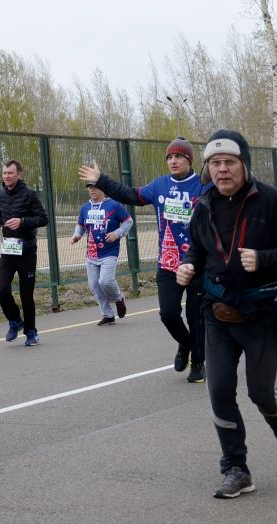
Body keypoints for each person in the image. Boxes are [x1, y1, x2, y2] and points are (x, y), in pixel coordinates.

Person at [176, 129, 277, 499]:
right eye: (215, 163)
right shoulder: (203, 204)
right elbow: (197, 250)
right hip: (217, 314)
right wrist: (188, 266)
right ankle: (236, 469)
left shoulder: (269, 200)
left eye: (230, 162)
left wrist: (263, 259)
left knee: (261, 392)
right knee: (219, 390)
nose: (222, 169)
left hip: (262, 313)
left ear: (244, 165)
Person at [78, 137, 211, 383]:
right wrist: (101, 180)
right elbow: (131, 195)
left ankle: (198, 363)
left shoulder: (203, 186)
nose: (173, 161)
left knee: (196, 318)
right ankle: (186, 343)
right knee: (168, 314)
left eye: (179, 157)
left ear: (190, 160)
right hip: (168, 264)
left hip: (197, 265)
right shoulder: (160, 185)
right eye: (169, 157)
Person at [0, 160, 48, 346]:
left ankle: (31, 332)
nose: (7, 176)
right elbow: (1, 215)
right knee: (2, 290)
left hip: (27, 250)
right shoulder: (1, 193)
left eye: (10, 173)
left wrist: (22, 221)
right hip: (8, 250)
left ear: (19, 174)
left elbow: (43, 218)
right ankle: (15, 320)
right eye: (4, 173)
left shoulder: (30, 193)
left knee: (26, 294)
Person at [70, 182, 133, 325]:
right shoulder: (85, 208)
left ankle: (119, 299)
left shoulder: (114, 205)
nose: (92, 190)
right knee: (94, 285)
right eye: (90, 187)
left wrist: (117, 233)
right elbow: (81, 225)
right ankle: (108, 315)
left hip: (109, 251)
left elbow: (128, 222)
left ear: (103, 188)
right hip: (92, 254)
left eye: (95, 187)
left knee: (105, 281)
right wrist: (77, 235)